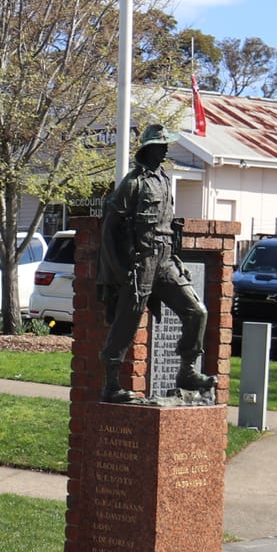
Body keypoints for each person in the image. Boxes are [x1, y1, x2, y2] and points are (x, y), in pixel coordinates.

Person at [99, 124, 215, 403]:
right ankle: (111, 385)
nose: (165, 150)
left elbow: (167, 228)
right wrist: (119, 270)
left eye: (166, 145)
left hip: (165, 261)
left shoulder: (164, 180)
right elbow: (109, 229)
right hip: (141, 263)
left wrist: (176, 259)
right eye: (161, 145)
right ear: (149, 148)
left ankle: (186, 371)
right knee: (126, 323)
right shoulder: (133, 183)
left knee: (197, 311)